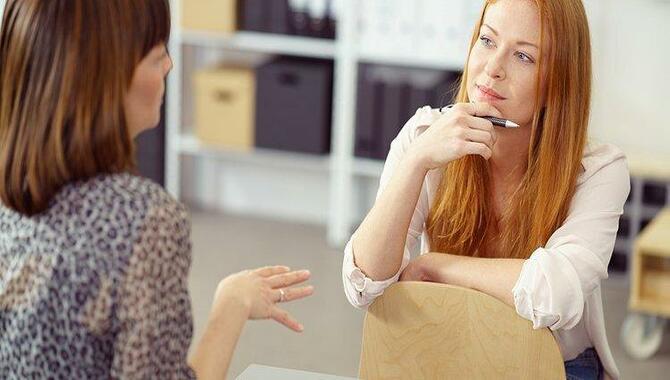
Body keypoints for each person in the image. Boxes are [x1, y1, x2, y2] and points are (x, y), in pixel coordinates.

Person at [0, 1, 313, 379]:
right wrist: (233, 303)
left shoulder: (11, 198)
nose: (169, 64)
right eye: (155, 54)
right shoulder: (146, 222)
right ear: (104, 81)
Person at [342, 1, 627, 379]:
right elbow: (363, 285)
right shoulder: (425, 136)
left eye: (523, 56)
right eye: (487, 40)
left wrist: (434, 265)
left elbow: (556, 294)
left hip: (552, 364)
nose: (492, 68)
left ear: (559, 80)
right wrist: (415, 163)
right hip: (447, 347)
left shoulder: (599, 170)